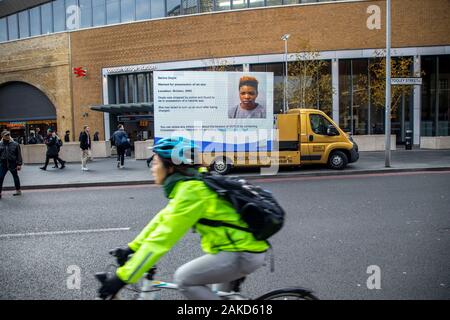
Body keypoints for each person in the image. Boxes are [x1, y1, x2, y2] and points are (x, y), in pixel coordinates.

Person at [97, 137, 268, 300]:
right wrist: (132, 247)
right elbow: (162, 220)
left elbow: (161, 240)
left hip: (241, 254)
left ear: (170, 167)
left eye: (155, 162)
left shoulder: (192, 192)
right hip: (238, 249)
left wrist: (122, 278)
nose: (152, 167)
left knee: (184, 279)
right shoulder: (190, 186)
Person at [0, 131, 23, 199]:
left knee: (15, 177)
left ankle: (18, 190)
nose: (8, 136)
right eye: (6, 135)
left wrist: (19, 164)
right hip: (3, 164)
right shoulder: (0, 144)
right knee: (0, 177)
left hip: (13, 163)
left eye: (8, 135)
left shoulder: (15, 144)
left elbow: (19, 155)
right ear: (2, 136)